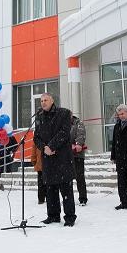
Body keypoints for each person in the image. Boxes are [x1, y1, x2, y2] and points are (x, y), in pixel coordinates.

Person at [34, 93, 76, 227]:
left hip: (62, 158)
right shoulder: (39, 117)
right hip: (48, 159)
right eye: (41, 101)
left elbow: (64, 132)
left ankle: (69, 217)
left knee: (66, 191)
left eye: (45, 100)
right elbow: (36, 137)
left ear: (52, 101)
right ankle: (53, 216)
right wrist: (44, 148)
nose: (43, 102)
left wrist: (51, 146)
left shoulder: (64, 113)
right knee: (50, 190)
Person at [70, 115, 88, 206]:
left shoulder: (78, 123)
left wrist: (78, 144)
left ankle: (83, 198)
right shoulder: (63, 124)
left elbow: (81, 134)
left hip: (78, 155)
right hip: (66, 156)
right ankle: (68, 198)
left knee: (79, 177)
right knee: (67, 179)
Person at [30, 140, 46, 204]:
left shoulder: (37, 138)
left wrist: (34, 161)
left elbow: (34, 150)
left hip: (40, 164)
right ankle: (49, 198)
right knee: (48, 183)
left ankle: (41, 199)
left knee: (41, 183)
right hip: (47, 164)